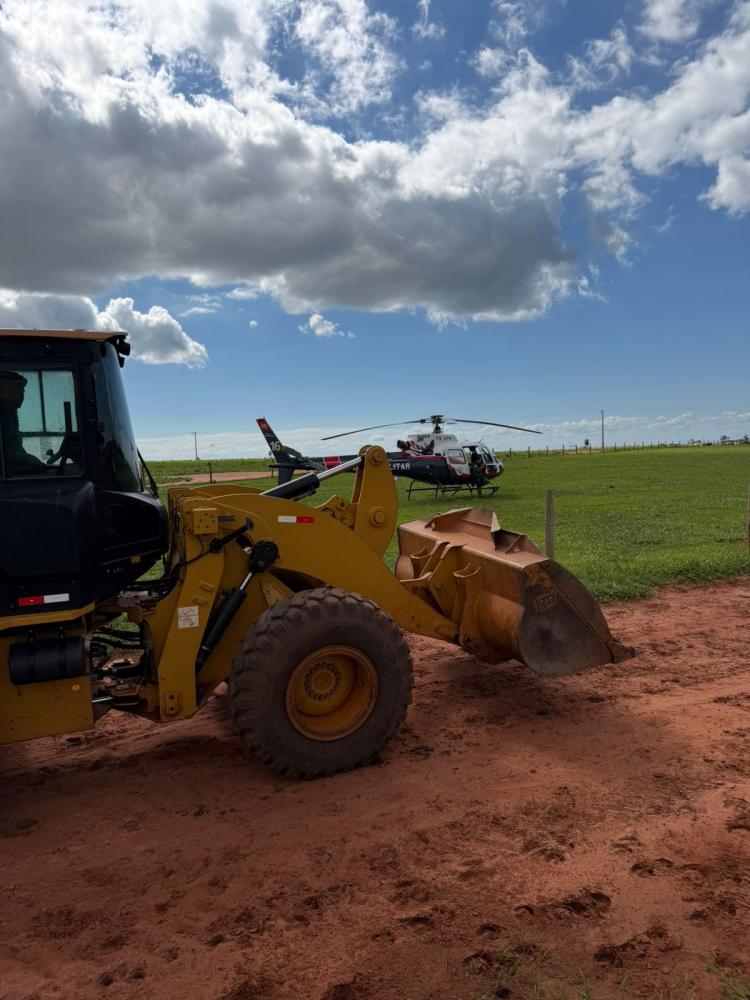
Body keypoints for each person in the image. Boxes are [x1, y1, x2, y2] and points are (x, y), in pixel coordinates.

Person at [0, 371, 48, 475]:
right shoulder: (4, 416)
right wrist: (25, 458)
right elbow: (8, 453)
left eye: (23, 391)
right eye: (17, 390)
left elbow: (14, 448)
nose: (21, 395)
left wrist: (26, 459)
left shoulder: (9, 414)